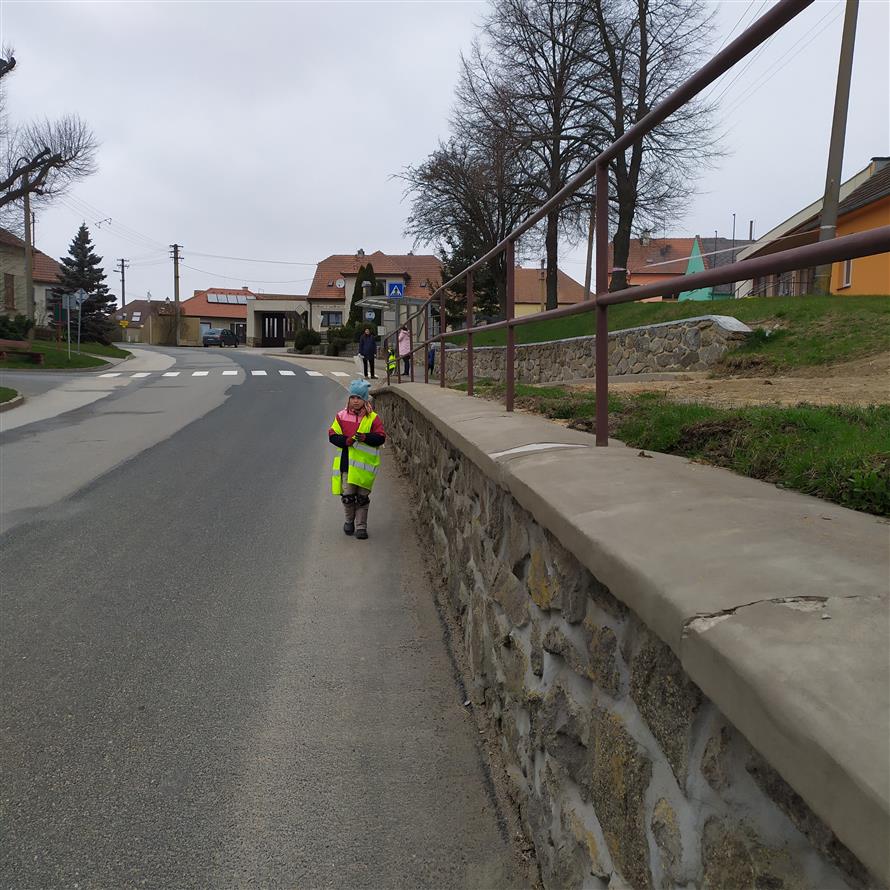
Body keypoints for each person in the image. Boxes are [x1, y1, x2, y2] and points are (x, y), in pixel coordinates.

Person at [328, 378, 386, 540]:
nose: (355, 401)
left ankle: (361, 526)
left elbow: (381, 437)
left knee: (362, 499)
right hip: (346, 464)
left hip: (365, 467)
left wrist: (366, 437)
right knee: (348, 497)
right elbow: (332, 435)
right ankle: (349, 521)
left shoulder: (372, 418)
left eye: (359, 398)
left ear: (365, 399)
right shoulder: (341, 416)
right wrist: (346, 441)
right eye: (352, 397)